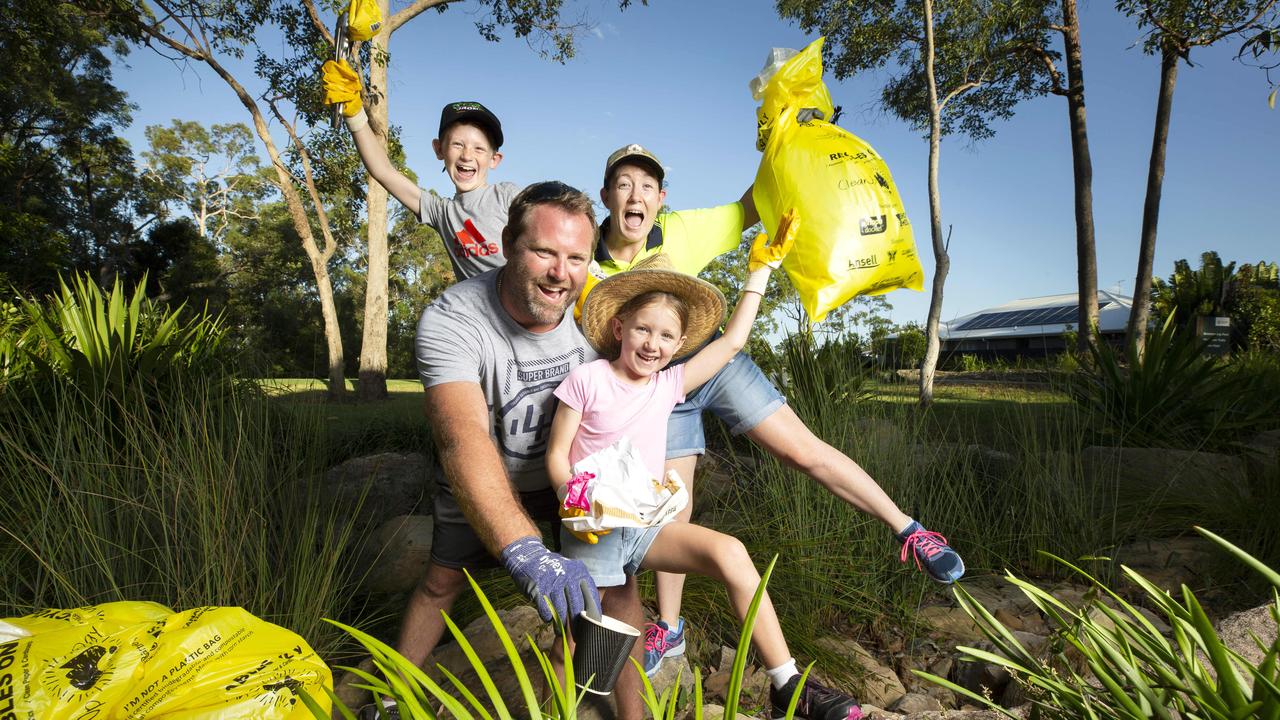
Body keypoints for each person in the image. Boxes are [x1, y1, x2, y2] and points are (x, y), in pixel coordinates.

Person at [591, 144, 965, 676]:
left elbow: (750, 206)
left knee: (804, 452)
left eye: (647, 186)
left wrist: (786, 140)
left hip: (715, 359)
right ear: (606, 195)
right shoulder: (586, 254)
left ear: (661, 198)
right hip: (659, 389)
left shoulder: (682, 230)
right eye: (624, 184)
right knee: (673, 511)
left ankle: (910, 530)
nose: (636, 195)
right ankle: (668, 629)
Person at [546, 227, 864, 720]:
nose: (653, 344)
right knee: (583, 638)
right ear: (619, 329)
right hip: (595, 529)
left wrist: (759, 272)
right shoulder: (588, 380)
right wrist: (574, 498)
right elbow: (556, 454)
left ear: (678, 345)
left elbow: (733, 342)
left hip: (646, 527)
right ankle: (545, 708)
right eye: (643, 330)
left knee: (731, 553)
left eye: (667, 336)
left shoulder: (669, 384)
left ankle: (787, 683)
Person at [360, 182, 645, 720]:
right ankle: (390, 700)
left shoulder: (593, 315)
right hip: (488, 475)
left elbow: (638, 385)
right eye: (544, 252)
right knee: (443, 580)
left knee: (619, 585)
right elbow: (460, 436)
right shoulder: (452, 320)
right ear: (508, 243)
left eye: (576, 258)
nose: (560, 272)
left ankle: (635, 715)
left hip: (566, 485)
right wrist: (523, 549)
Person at [322, 59, 515, 279]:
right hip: (477, 312)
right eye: (457, 144)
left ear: (495, 159)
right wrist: (354, 113)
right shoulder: (441, 213)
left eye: (479, 149)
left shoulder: (508, 196)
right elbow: (383, 171)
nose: (467, 155)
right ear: (438, 149)